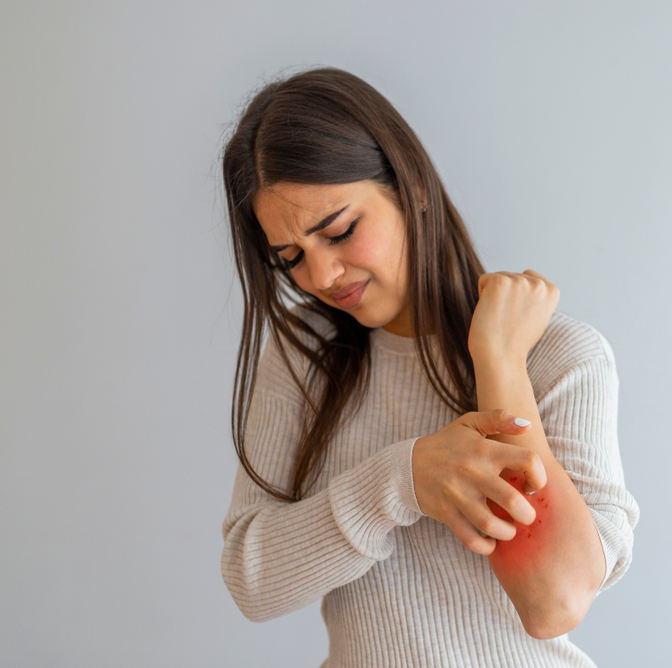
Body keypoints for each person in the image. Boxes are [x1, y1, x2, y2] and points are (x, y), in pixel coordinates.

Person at [220, 67, 639, 668]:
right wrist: (403, 479)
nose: (320, 277)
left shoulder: (559, 356)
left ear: (412, 185)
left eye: (339, 232)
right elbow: (251, 580)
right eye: (291, 258)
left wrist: (497, 359)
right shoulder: (302, 356)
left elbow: (554, 600)